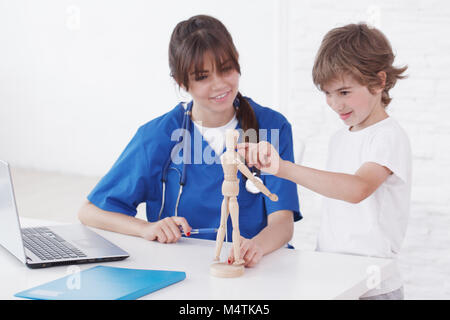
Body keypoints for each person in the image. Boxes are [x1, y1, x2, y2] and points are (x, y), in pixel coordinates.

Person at [77, 15, 301, 268]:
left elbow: (282, 223)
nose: (219, 84)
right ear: (182, 82)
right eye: (203, 76)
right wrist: (146, 228)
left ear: (237, 61)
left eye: (226, 69)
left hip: (257, 267)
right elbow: (90, 211)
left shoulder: (272, 127)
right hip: (182, 269)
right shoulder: (157, 135)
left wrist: (257, 246)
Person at [238, 23, 411, 298]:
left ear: (379, 82)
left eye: (344, 92)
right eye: (327, 93)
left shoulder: (388, 136)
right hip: (337, 278)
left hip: (374, 287)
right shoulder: (339, 138)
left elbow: (357, 189)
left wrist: (283, 168)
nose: (335, 104)